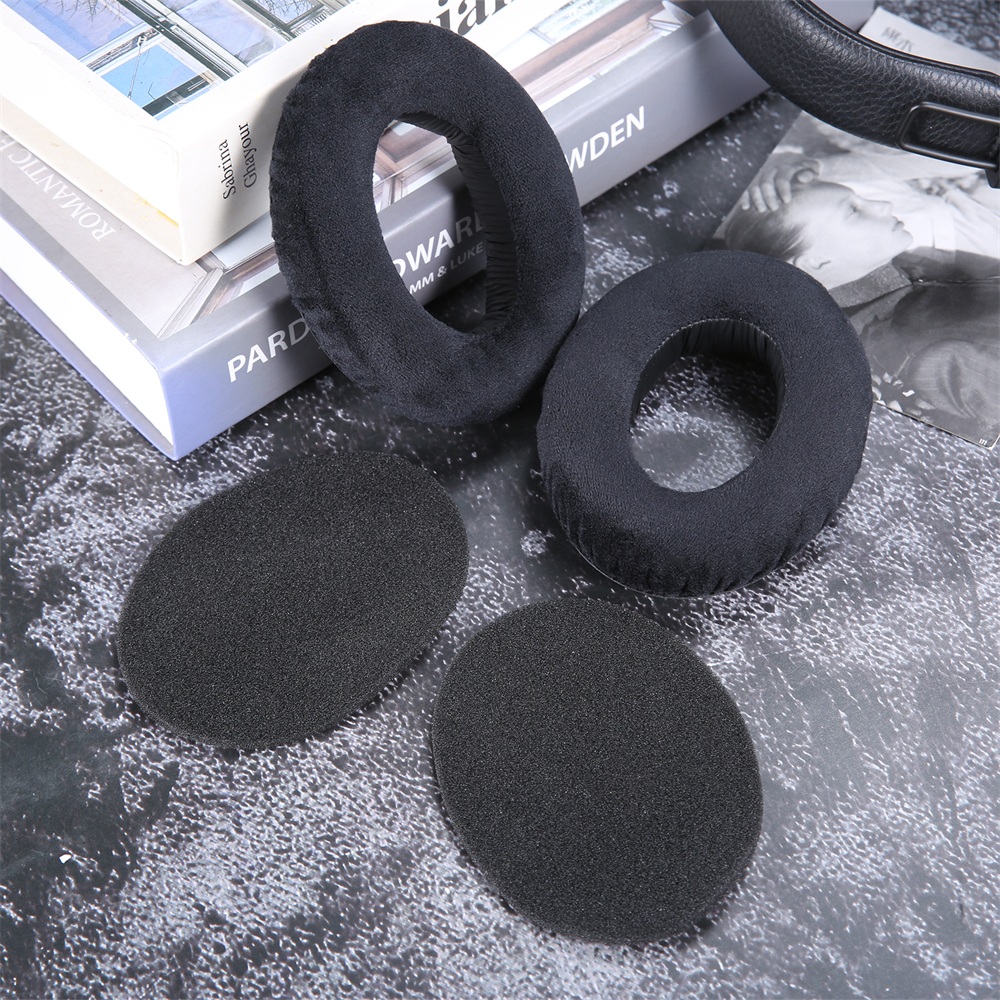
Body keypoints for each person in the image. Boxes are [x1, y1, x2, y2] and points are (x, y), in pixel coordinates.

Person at [720, 144, 1000, 442]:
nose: (883, 205)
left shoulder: (907, 271)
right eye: (853, 211)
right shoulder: (924, 352)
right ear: (816, 261)